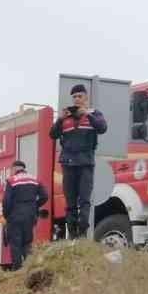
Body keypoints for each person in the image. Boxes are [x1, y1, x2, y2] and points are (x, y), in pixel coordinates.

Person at [48, 85, 107, 240]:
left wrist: (87, 115)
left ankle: (82, 232)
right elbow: (52, 134)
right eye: (74, 97)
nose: (77, 99)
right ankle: (72, 234)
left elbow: (102, 128)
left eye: (79, 96)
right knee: (70, 201)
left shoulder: (94, 113)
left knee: (85, 200)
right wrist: (60, 118)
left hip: (86, 163)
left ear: (86, 98)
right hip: (68, 164)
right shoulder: (65, 118)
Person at [1, 159, 47, 271]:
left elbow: (6, 202)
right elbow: (45, 196)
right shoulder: (34, 179)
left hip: (15, 217)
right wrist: (35, 206)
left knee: (15, 243)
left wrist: (7, 216)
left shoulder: (11, 181)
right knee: (27, 242)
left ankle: (17, 270)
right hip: (30, 216)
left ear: (14, 169)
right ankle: (29, 268)